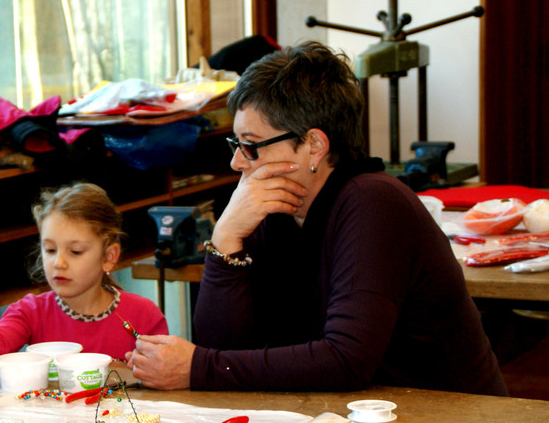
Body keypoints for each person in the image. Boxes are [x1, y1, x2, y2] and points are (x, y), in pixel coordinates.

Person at [128, 41, 507, 396]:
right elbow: (223, 346)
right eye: (236, 144)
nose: (237, 162)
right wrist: (225, 236)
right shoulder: (273, 205)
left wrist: (199, 368)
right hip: (349, 418)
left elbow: (347, 360)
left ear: (314, 145)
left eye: (251, 146)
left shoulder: (374, 202)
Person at [0, 182, 167, 360]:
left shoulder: (143, 316)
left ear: (108, 257)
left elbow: (164, 377)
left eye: (75, 251)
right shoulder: (30, 311)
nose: (58, 262)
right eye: (50, 250)